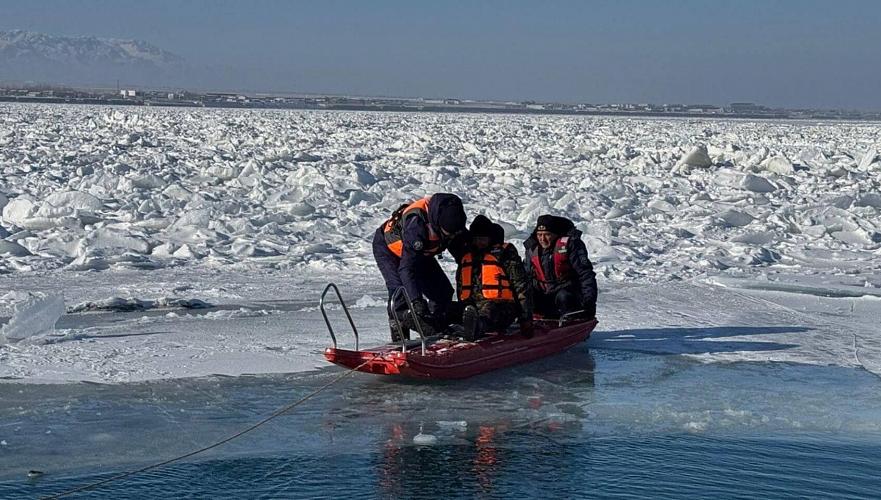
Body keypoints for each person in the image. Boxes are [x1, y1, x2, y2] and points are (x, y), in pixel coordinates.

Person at [373, 193, 468, 341]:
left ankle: (436, 327)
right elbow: (407, 269)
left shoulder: (455, 220)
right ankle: (400, 337)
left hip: (421, 252)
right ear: (438, 224)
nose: (451, 237)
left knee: (442, 292)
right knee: (400, 292)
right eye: (448, 234)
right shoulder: (417, 226)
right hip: (390, 249)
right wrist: (416, 301)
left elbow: (464, 256)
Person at [455, 215, 533, 341]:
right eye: (476, 239)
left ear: (490, 239)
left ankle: (476, 326)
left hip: (502, 306)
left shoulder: (505, 255)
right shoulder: (467, 257)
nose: (478, 243)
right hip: (472, 307)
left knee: (490, 311)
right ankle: (430, 325)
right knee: (451, 309)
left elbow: (521, 287)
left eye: (482, 239)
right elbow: (460, 287)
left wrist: (526, 318)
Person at [523, 214, 597, 320]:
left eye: (547, 234)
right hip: (544, 295)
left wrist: (589, 302)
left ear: (555, 234)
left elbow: (585, 275)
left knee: (564, 296)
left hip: (567, 295)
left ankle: (571, 321)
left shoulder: (570, 245)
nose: (542, 239)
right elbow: (525, 276)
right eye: (539, 235)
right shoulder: (532, 249)